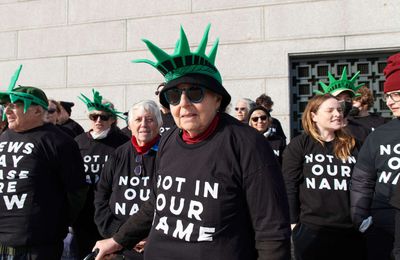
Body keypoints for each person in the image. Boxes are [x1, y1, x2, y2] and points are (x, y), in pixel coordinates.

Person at [93, 24, 291, 260]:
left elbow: (271, 232)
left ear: (217, 98)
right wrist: (117, 240)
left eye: (195, 93)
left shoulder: (247, 143)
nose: (183, 103)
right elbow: (157, 202)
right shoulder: (168, 140)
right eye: (174, 96)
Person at [0, 65, 87, 259]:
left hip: (37, 245)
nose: (7, 110)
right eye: (6, 105)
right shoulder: (4, 137)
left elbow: (77, 192)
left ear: (38, 111)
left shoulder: (60, 141)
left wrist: (54, 223)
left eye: (15, 104)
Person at [282, 94, 365, 260]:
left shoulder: (353, 144)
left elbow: (364, 183)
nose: (337, 114)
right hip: (312, 230)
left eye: (339, 110)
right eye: (330, 110)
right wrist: (293, 223)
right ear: (313, 116)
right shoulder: (300, 144)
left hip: (349, 230)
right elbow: (289, 184)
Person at [94, 100, 162, 259]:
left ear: (159, 124)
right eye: (138, 120)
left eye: (150, 119)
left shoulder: (169, 154)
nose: (144, 124)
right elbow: (101, 196)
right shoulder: (118, 154)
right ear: (129, 125)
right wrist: (120, 235)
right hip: (117, 245)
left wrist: (151, 236)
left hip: (154, 244)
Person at [350, 52, 400, 259]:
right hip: (383, 222)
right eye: (387, 96)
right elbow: (362, 179)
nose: (390, 102)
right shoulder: (380, 134)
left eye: (396, 94)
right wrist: (361, 218)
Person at [73, 89, 129, 259]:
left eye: (103, 117)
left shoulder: (121, 142)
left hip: (109, 211)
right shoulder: (79, 141)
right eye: (94, 117)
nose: (98, 120)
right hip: (84, 210)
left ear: (112, 119)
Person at [316, 68, 371, 142]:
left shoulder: (363, 131)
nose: (343, 102)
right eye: (338, 98)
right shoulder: (319, 132)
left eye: (347, 99)